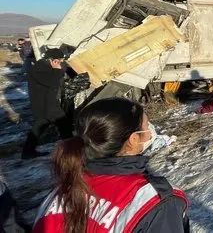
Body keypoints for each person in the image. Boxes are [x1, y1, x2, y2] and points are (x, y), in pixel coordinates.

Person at [33, 97, 189, 233]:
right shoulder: (154, 202)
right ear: (133, 139)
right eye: (147, 126)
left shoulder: (62, 190)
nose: (150, 132)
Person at [22, 49, 74, 159]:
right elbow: (52, 82)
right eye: (59, 61)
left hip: (46, 105)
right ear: (53, 60)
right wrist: (58, 71)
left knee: (39, 128)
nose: (60, 63)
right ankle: (72, 152)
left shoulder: (43, 66)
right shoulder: (39, 69)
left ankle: (27, 152)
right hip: (46, 106)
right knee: (64, 126)